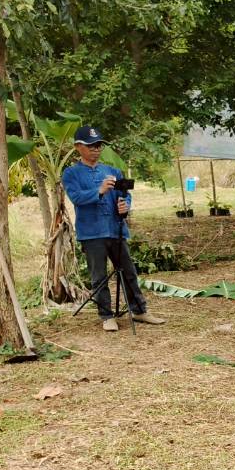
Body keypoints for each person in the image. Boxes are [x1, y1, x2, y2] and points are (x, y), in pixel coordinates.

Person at [61, 126, 165, 332]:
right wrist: (98, 190)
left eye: (99, 145)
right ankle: (106, 315)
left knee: (128, 272)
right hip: (92, 233)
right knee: (98, 276)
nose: (96, 149)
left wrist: (125, 205)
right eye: (91, 146)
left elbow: (125, 195)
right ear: (78, 147)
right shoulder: (71, 173)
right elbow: (77, 198)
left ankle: (140, 310)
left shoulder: (112, 171)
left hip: (116, 229)